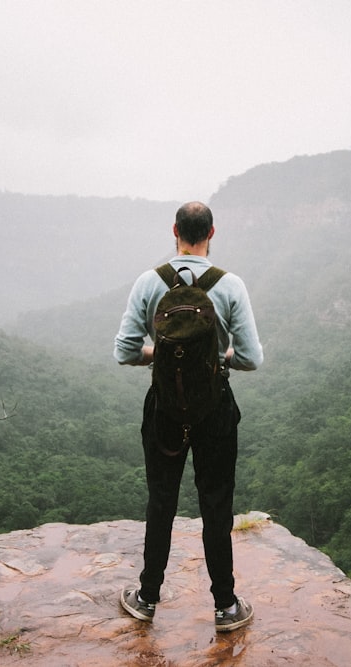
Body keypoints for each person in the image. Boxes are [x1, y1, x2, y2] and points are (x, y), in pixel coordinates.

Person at [113, 201, 263, 632]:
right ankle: (226, 606)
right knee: (216, 503)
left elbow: (124, 351)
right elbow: (251, 357)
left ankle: (146, 597)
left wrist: (160, 355)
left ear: (173, 230)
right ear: (211, 233)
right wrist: (215, 360)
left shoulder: (149, 282)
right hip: (214, 410)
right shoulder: (230, 285)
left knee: (162, 500)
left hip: (163, 410)